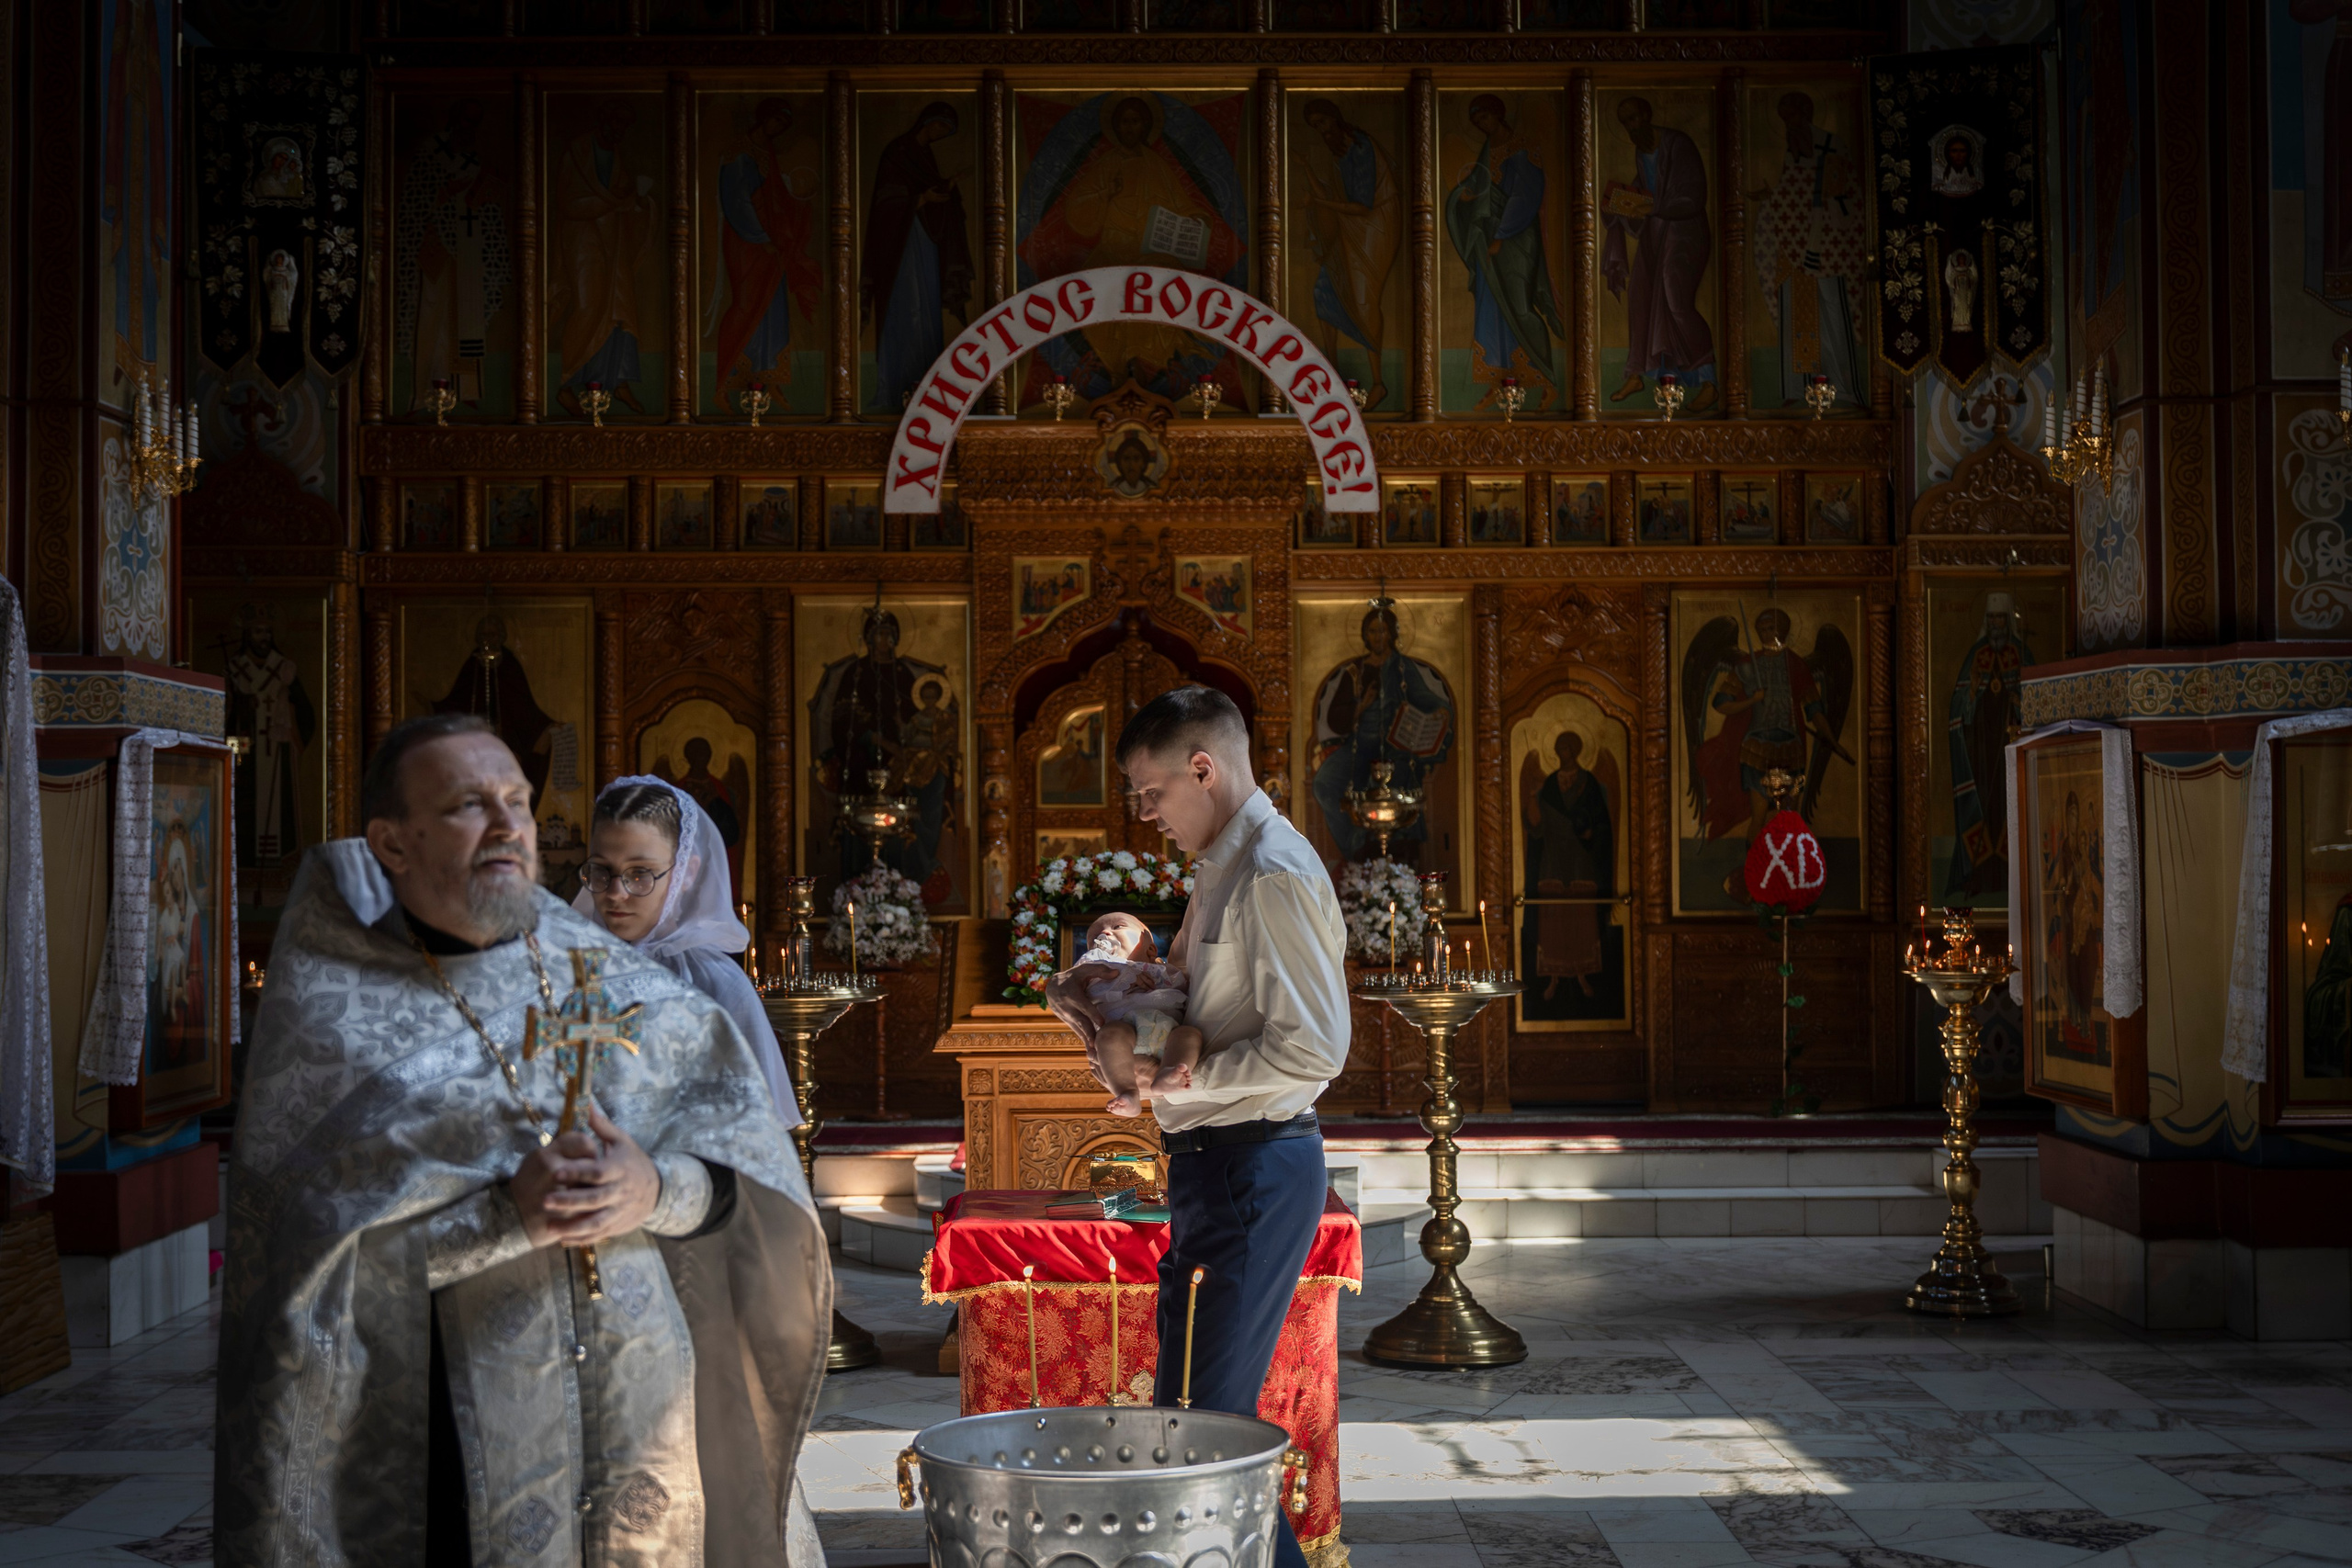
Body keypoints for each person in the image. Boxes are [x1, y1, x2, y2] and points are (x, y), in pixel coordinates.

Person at [217, 714, 830, 1566]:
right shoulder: (339, 1017)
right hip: (445, 1459)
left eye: (518, 800)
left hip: (655, 1438)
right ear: (393, 841)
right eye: (472, 803)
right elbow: (305, 1267)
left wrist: (657, 1188)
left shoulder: (616, 977)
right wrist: (512, 1217)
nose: (510, 825)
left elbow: (752, 1177)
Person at [1044, 685, 1347, 1568]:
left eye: (1150, 792)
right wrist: (1114, 1012)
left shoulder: (1273, 874)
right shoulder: (1223, 865)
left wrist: (1175, 1074)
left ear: (1203, 768)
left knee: (1204, 1444)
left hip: (1254, 1167)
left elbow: (1314, 1050)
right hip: (1218, 1165)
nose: (1144, 815)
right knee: (1192, 1425)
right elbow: (1202, 1005)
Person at [573, 775, 801, 1131]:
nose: (616, 893)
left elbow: (754, 1136)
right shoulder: (568, 970)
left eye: (639, 874)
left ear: (686, 873)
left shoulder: (716, 985)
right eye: (602, 870)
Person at [1444, 94, 1564, 410]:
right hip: (1488, 240)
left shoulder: (1522, 148)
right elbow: (1479, 186)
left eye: (1484, 118)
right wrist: (1465, 196)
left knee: (1520, 307)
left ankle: (1547, 380)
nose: (1481, 125)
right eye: (1475, 122)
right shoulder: (1488, 151)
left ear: (1498, 115)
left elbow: (1526, 195)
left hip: (1517, 239)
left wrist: (1501, 235)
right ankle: (1498, 380)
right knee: (1490, 306)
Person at [1603, 96, 1718, 413]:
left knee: (1675, 299)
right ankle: (1642, 374)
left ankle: (1709, 380)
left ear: (1647, 114)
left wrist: (1652, 207)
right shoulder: (1643, 152)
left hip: (1685, 235)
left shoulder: (1678, 145)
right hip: (1656, 237)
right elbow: (1645, 191)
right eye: (1625, 122)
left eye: (1633, 118)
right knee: (1642, 297)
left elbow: (1693, 195)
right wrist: (1620, 206)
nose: (1631, 126)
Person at [1074, 909, 1203, 1118]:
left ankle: (1168, 1073)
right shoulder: (1097, 972)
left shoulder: (1167, 971)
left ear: (1150, 949)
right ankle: (1128, 1091)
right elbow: (1088, 990)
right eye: (1095, 936)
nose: (1105, 934)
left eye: (1117, 927)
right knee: (1109, 1034)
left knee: (1190, 1034)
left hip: (1169, 1032)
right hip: (1126, 1034)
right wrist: (1123, 979)